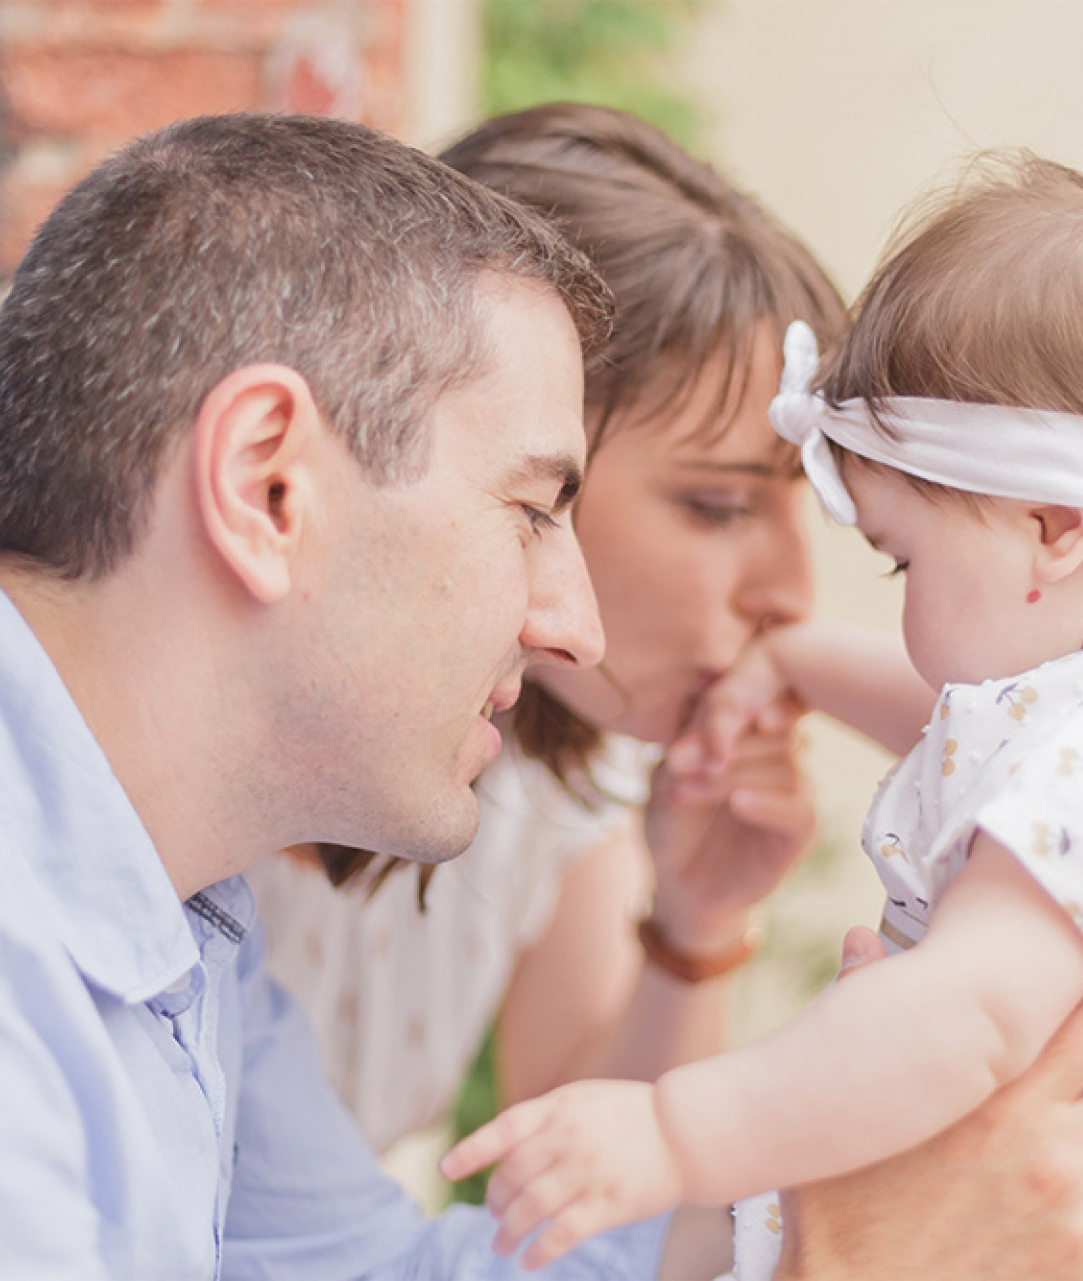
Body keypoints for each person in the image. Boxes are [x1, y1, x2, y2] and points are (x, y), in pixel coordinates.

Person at [0, 115, 1083, 1278]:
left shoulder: (171, 908)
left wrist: (819, 1210)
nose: (569, 620)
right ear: (268, 485)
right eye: (532, 509)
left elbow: (382, 1271)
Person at [444, 154, 1083, 1280]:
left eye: (902, 563)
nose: (895, 610)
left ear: (1057, 527)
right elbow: (984, 737)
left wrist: (676, 1135)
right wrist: (796, 664)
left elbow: (969, 1020)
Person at [247, 101, 838, 1157]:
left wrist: (695, 924)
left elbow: (579, 1216)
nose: (792, 592)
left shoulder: (546, 777)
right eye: (718, 505)